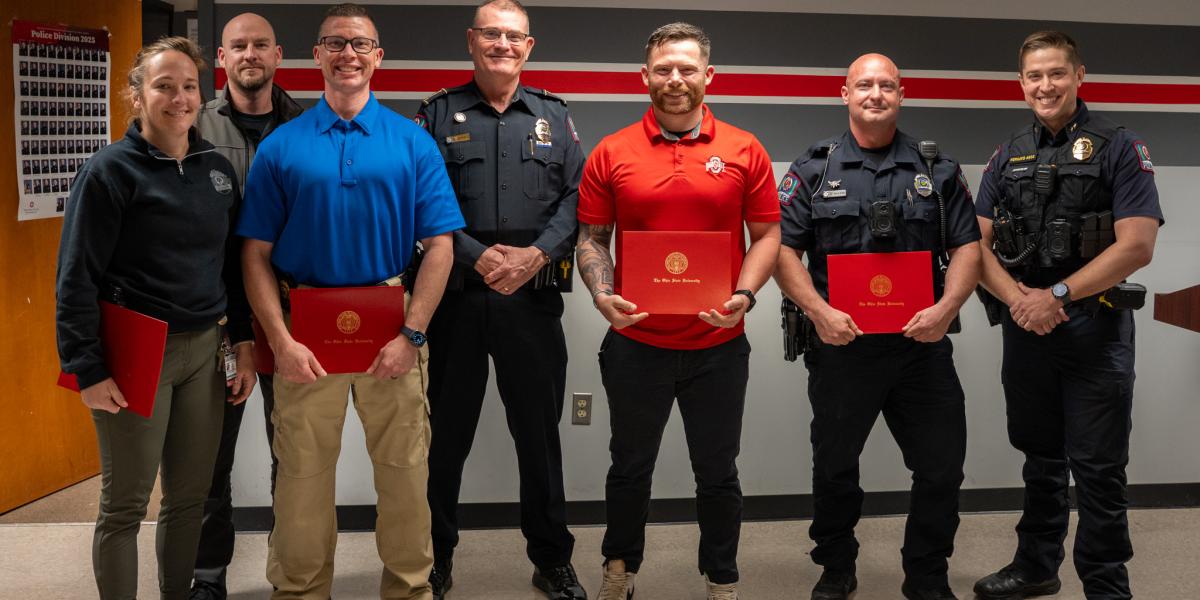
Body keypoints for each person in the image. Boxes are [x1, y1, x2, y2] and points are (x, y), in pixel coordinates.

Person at [237, 3, 465, 599]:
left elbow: (440, 246)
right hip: (304, 332)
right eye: (335, 43)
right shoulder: (281, 147)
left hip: (392, 331)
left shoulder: (412, 143)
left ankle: (411, 589)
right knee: (302, 482)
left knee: (406, 477)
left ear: (378, 57)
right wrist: (281, 342)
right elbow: (255, 254)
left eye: (361, 44)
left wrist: (412, 335)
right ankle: (301, 590)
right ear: (316, 55)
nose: (348, 55)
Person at [576, 22, 780, 600]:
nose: (675, 80)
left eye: (687, 69)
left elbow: (767, 234)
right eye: (663, 69)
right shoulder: (611, 151)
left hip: (718, 347)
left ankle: (721, 578)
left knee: (718, 473)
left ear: (708, 76)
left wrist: (743, 295)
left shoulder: (745, 148)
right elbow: (592, 237)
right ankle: (619, 569)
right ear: (644, 77)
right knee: (628, 468)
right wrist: (600, 293)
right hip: (636, 344)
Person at [55, 36, 256, 600]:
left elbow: (233, 270)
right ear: (136, 95)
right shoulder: (109, 172)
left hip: (204, 351)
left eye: (189, 86)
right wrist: (86, 369)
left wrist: (242, 342)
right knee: (125, 504)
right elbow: (75, 278)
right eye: (164, 85)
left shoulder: (216, 170)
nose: (179, 97)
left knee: (191, 497)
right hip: (137, 351)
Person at [774, 53, 981, 600]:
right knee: (836, 467)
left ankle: (927, 575)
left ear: (901, 93)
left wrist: (947, 310)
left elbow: (967, 247)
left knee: (941, 468)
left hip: (922, 347)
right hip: (843, 347)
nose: (875, 94)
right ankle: (837, 566)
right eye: (864, 85)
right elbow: (781, 251)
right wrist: (819, 312)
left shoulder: (937, 169)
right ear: (845, 94)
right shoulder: (813, 170)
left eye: (886, 85)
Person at [971, 31, 1163, 600]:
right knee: (1040, 457)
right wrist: (1020, 301)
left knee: (1099, 470)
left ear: (1080, 76)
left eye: (1056, 73)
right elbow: (974, 244)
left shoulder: (1119, 147)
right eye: (1035, 76)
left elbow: (1136, 245)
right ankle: (1037, 566)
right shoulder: (1007, 155)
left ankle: (1107, 586)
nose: (1045, 85)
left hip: (1092, 331)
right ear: (1021, 83)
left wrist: (1054, 296)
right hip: (1027, 328)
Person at [414, 1, 586, 598]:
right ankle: (434, 558)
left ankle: (551, 559)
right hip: (454, 299)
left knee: (539, 438)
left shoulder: (554, 116)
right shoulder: (436, 114)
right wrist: (476, 256)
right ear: (471, 40)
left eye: (513, 36)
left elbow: (576, 200)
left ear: (529, 46)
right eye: (492, 34)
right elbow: (419, 200)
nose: (502, 44)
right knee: (444, 439)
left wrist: (534, 256)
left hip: (532, 300)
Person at [190, 12, 305, 600]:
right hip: (216, 317)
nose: (250, 54)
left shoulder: (309, 124)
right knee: (212, 456)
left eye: (261, 44)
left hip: (292, 317)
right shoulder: (193, 125)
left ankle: (292, 570)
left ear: (278, 54)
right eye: (239, 46)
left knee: (296, 451)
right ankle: (208, 574)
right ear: (223, 59)